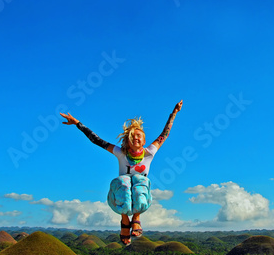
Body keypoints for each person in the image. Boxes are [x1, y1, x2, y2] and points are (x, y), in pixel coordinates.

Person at [60, 100, 183, 245]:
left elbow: (164, 134)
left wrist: (174, 113)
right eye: (133, 136)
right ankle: (125, 220)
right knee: (124, 181)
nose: (136, 137)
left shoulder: (149, 153)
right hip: (121, 194)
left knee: (140, 180)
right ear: (127, 140)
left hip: (141, 194)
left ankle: (136, 218)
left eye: (139, 136)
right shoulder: (121, 153)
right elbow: (97, 140)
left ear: (144, 141)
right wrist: (77, 123)